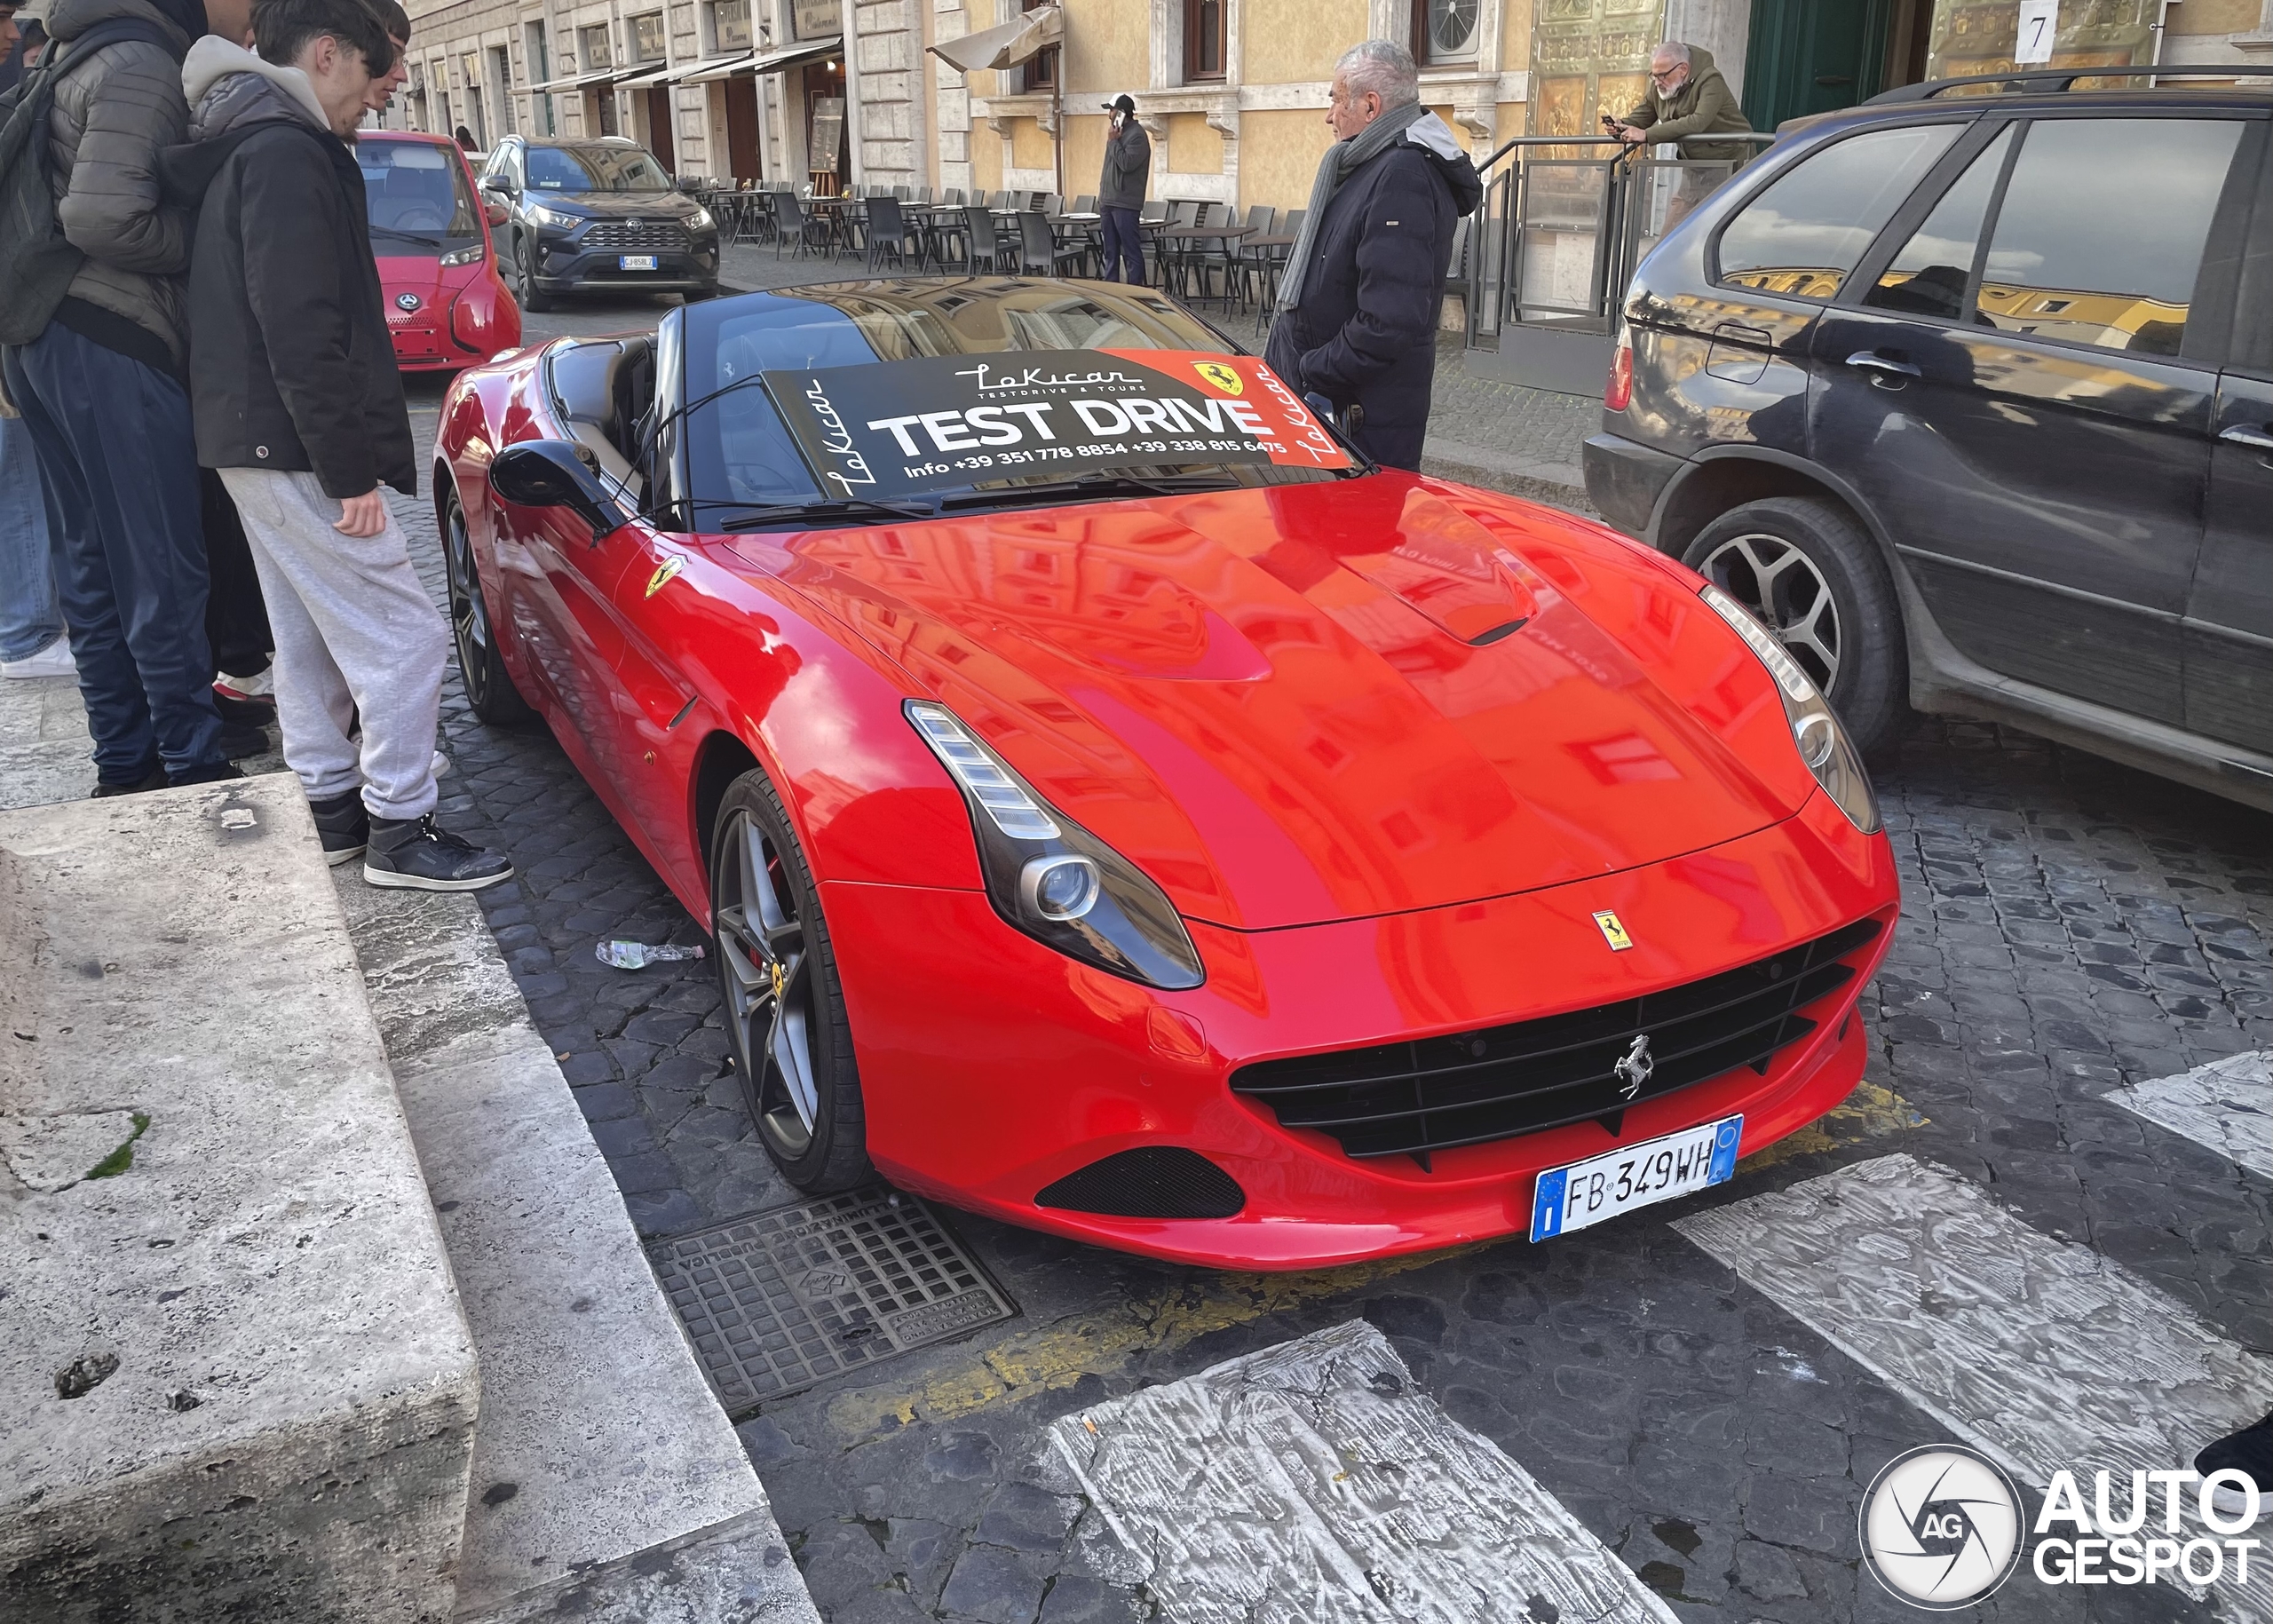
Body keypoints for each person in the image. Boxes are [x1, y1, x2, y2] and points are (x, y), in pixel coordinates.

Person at [167, 0, 511, 889]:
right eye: (374, 70)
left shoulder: (252, 136)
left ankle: (332, 812)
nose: (386, 88)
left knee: (306, 632)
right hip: (292, 443)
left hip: (250, 437)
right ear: (326, 54)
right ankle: (401, 824)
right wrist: (348, 467)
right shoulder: (286, 150)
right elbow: (299, 327)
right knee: (405, 632)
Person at [0, 0, 260, 793]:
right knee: (158, 560)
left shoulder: (80, 50)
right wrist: (204, 245)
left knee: (93, 559)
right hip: (111, 333)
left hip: (44, 337)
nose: (255, 14)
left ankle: (124, 757)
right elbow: (105, 215)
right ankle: (188, 759)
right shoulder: (142, 62)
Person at [1264, 40, 1480, 472]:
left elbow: (1389, 320)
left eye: (1336, 100)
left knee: (1349, 537)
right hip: (1334, 406)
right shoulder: (1373, 164)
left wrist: (1311, 369)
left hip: (1357, 417)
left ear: (1370, 105)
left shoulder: (1403, 174)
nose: (1329, 115)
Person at [1097, 92, 1148, 285]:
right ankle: (1112, 294)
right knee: (1110, 252)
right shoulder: (1116, 134)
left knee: (1130, 252)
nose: (1109, 114)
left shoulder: (1137, 136)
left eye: (1111, 110)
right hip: (1108, 201)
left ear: (1122, 113)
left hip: (1125, 203)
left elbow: (1127, 164)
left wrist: (1113, 142)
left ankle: (1135, 294)